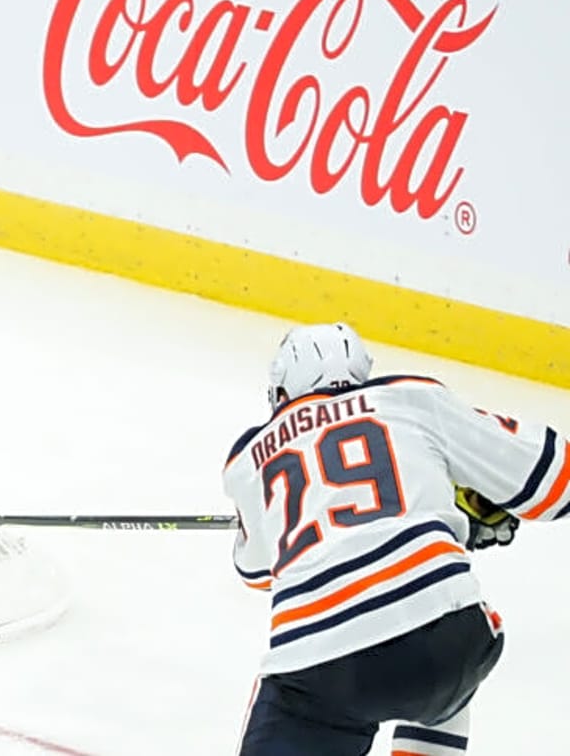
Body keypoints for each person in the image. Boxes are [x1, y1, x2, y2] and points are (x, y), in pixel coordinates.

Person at [223, 321, 552, 755]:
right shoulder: (412, 398)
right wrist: (454, 505)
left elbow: (258, 573)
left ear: (281, 391)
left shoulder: (248, 460)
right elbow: (554, 478)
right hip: (454, 643)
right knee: (440, 654)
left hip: (323, 671)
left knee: (310, 677)